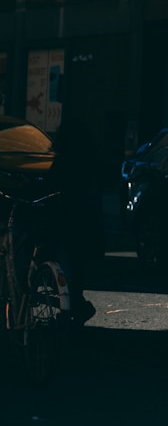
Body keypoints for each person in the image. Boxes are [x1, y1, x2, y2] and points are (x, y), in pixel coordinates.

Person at [44, 118, 100, 325]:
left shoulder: (63, 162)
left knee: (63, 262)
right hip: (84, 224)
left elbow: (50, 188)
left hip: (65, 221)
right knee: (76, 269)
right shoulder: (89, 162)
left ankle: (74, 307)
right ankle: (75, 306)